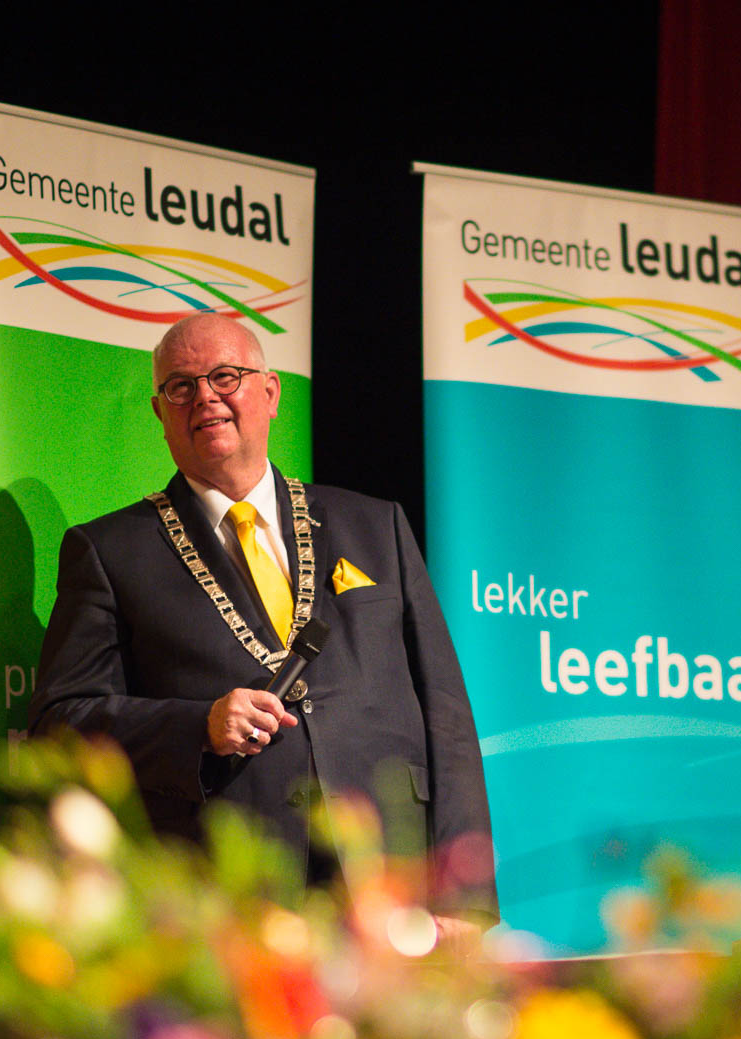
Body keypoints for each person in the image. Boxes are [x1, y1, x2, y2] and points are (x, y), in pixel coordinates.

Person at [30, 313, 494, 917]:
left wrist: (464, 900)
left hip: (391, 874)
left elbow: (446, 713)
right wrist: (197, 727)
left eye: (225, 376)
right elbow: (61, 723)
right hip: (227, 890)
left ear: (271, 394)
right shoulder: (111, 551)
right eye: (181, 386)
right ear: (160, 413)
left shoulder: (375, 525)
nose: (205, 397)